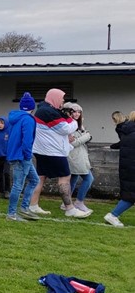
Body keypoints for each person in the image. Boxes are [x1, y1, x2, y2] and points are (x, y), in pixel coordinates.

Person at [28, 89, 90, 218]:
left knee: (40, 177)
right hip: (54, 152)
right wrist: (72, 121)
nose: (63, 101)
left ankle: (33, 205)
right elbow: (65, 129)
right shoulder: (48, 112)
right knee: (65, 178)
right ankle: (69, 208)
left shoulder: (46, 110)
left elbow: (58, 127)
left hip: (42, 151)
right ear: (54, 98)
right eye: (61, 98)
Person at [5, 93, 40, 221]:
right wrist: (27, 155)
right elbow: (27, 140)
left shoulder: (14, 118)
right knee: (18, 185)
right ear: (32, 107)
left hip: (15, 154)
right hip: (22, 156)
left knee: (34, 180)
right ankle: (12, 214)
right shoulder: (28, 119)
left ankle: (24, 208)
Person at [104, 111, 135, 227]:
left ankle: (114, 215)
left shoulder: (126, 132)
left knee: (130, 195)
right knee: (130, 196)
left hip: (128, 168)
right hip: (131, 169)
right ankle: (113, 215)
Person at [62, 103, 94, 214]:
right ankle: (79, 202)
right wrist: (86, 136)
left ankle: (66, 202)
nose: (77, 114)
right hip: (74, 156)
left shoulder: (78, 124)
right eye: (74, 111)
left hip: (79, 155)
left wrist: (84, 136)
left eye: (79, 112)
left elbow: (76, 140)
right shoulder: (68, 124)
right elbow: (72, 143)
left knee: (73, 179)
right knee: (88, 178)